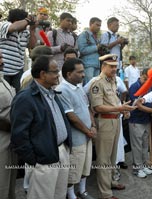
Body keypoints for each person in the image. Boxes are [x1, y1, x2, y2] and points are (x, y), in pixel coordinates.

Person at [10, 55, 72, 199]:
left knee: (59, 195)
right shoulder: (25, 98)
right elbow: (19, 136)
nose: (58, 75)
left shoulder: (52, 91)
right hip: (43, 160)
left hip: (61, 152)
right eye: (55, 71)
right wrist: (34, 161)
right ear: (43, 74)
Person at [89, 54, 136, 199]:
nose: (114, 69)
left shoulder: (113, 80)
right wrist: (120, 108)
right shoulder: (97, 82)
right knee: (103, 158)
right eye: (111, 66)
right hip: (104, 122)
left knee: (112, 156)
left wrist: (123, 109)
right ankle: (105, 193)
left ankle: (110, 182)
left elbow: (113, 102)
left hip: (115, 120)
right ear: (103, 67)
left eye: (116, 66)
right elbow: (97, 107)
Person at [56, 58, 96, 199]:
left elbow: (87, 108)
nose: (83, 75)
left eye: (83, 71)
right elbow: (71, 117)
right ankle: (71, 195)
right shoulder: (62, 90)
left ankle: (83, 191)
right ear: (68, 74)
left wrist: (93, 126)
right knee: (74, 169)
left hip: (87, 136)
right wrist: (88, 131)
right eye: (79, 72)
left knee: (85, 166)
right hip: (77, 138)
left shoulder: (79, 87)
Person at [128, 68, 152, 178]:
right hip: (136, 120)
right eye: (145, 78)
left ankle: (144, 165)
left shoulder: (149, 86)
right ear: (141, 75)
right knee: (137, 146)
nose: (147, 80)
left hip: (146, 120)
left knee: (145, 145)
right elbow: (138, 105)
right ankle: (137, 168)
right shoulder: (134, 86)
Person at [0, 8, 37, 92]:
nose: (27, 24)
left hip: (18, 71)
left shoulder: (25, 32)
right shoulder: (4, 25)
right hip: (3, 71)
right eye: (25, 21)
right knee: (4, 96)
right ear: (16, 20)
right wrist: (28, 19)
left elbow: (32, 46)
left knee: (18, 96)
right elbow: (14, 27)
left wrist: (32, 30)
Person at [0, 50, 17, 199]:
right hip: (2, 138)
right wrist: (14, 127)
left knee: (10, 180)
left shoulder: (3, 79)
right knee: (2, 181)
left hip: (11, 139)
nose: (2, 60)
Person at [78, 17, 102, 84]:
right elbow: (82, 50)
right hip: (88, 65)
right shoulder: (84, 35)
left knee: (95, 87)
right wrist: (96, 47)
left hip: (97, 64)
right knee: (89, 86)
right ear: (91, 24)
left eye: (100, 25)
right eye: (97, 25)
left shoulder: (97, 37)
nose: (99, 27)